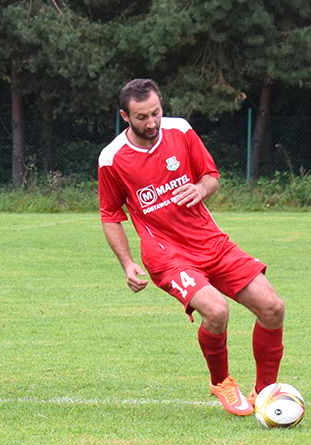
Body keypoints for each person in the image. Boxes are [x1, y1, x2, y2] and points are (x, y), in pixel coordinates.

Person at [98, 78, 286, 417]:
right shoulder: (112, 159)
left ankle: (266, 392)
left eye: (156, 112)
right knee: (216, 311)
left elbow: (210, 176)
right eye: (142, 117)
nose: (152, 122)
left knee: (272, 307)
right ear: (125, 116)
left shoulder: (181, 131)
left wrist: (201, 190)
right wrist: (127, 264)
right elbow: (111, 215)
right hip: (166, 254)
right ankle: (222, 382)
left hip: (210, 242)